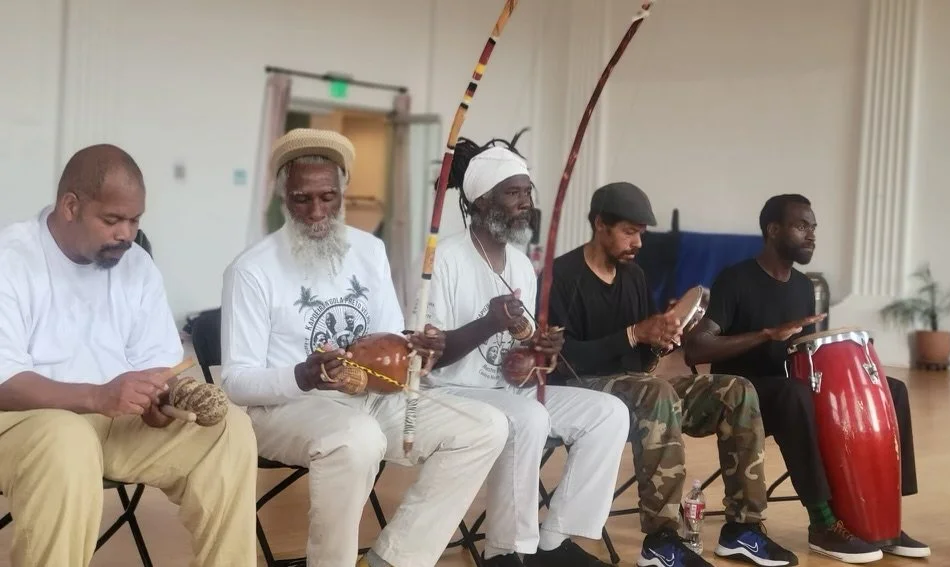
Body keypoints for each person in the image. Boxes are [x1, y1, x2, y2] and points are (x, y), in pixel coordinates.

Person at [220, 128, 508, 567]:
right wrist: (304, 375)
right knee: (358, 440)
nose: (316, 211)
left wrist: (415, 351)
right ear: (283, 197)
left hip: (372, 398)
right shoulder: (252, 270)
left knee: (486, 426)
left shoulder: (369, 251)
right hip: (284, 409)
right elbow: (237, 382)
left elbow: (389, 337)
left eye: (327, 197)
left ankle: (395, 561)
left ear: (343, 193)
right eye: (302, 199)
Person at [0, 144, 258, 566]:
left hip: (114, 423)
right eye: (112, 220)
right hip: (26, 423)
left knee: (228, 428)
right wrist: (98, 396)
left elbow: (157, 364)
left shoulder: (135, 263)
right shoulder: (10, 258)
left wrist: (163, 397)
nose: (126, 233)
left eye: (135, 220)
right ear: (70, 206)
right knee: (67, 439)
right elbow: (4, 382)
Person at [546, 181, 799, 567]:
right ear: (600, 224)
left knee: (737, 389)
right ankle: (661, 539)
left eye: (642, 234)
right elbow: (561, 362)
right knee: (656, 393)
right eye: (629, 232)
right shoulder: (561, 276)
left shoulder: (633, 276)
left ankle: (743, 528)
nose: (639, 243)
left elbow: (643, 358)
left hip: (636, 388)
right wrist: (634, 333)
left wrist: (665, 337)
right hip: (582, 394)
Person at [417, 136, 630, 566]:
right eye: (512, 193)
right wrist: (490, 322)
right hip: (449, 393)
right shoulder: (442, 261)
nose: (525, 203)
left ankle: (553, 541)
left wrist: (536, 353)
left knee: (609, 413)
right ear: (479, 202)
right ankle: (507, 551)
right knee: (529, 417)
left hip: (505, 393)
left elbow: (519, 357)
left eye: (527, 192)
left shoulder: (520, 264)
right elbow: (430, 357)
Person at [683, 193, 930, 564]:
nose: (811, 235)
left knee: (890, 390)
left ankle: (884, 518)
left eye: (813, 227)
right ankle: (823, 522)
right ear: (773, 230)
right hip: (743, 395)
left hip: (791, 388)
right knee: (793, 394)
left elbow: (806, 351)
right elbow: (698, 348)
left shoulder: (802, 287)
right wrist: (766, 334)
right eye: (802, 226)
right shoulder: (736, 279)